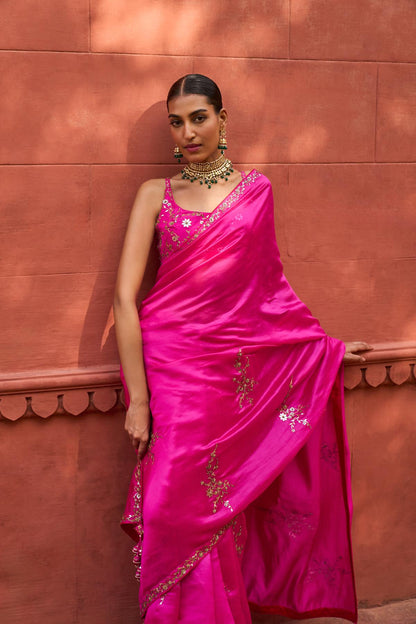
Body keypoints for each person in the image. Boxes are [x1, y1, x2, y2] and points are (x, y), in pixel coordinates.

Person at [113, 74, 372, 624]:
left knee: (218, 501)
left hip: (231, 375)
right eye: (176, 123)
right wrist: (138, 399)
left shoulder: (256, 192)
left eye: (198, 118)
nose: (188, 133)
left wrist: (320, 351)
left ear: (222, 119)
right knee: (170, 504)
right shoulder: (154, 194)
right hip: (172, 370)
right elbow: (123, 298)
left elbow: (268, 292)